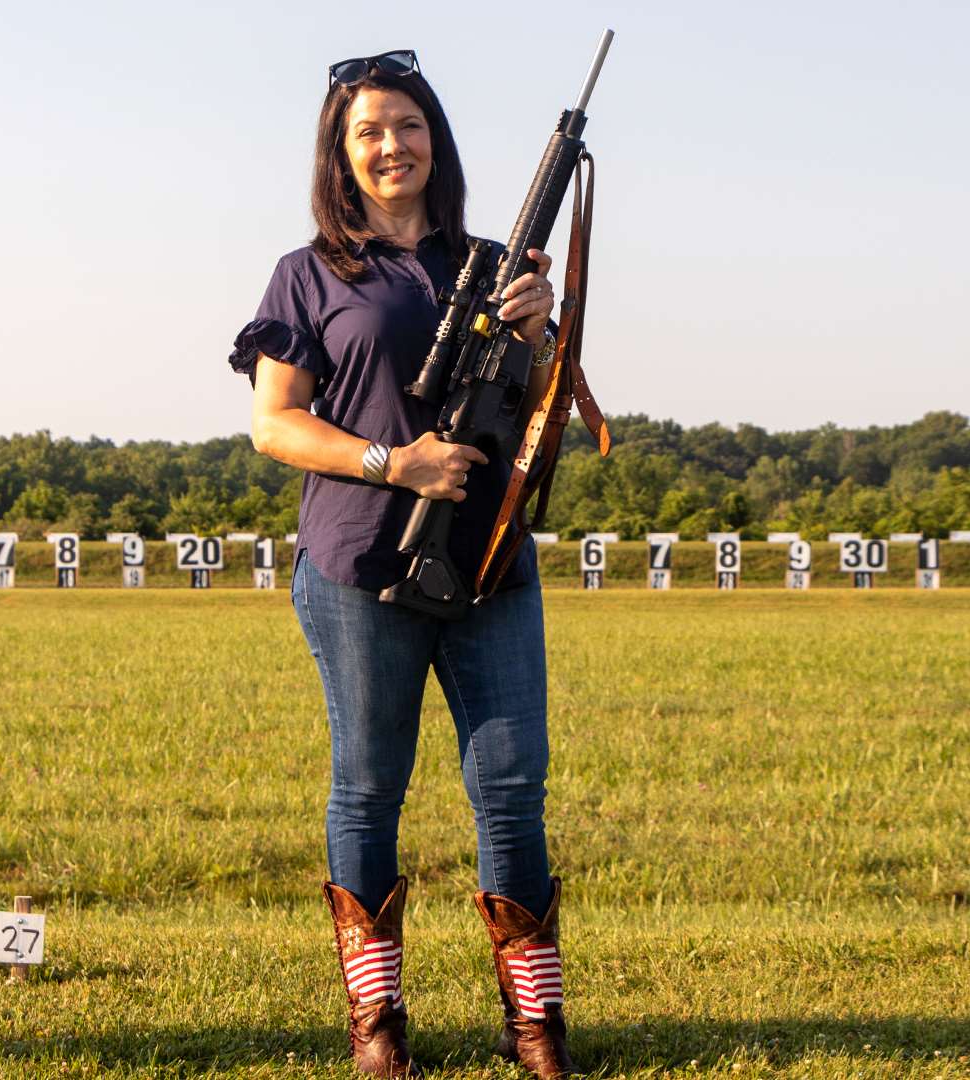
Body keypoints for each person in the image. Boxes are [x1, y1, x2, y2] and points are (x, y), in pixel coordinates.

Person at [228, 49, 573, 1078]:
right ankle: (378, 1028)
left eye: (409, 125)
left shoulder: (498, 264)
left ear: (437, 139)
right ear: (340, 153)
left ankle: (537, 1026)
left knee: (512, 787)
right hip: (358, 565)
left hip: (491, 566)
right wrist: (397, 462)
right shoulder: (308, 272)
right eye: (370, 130)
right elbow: (274, 426)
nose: (393, 146)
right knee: (370, 790)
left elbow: (542, 411)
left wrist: (542, 333)